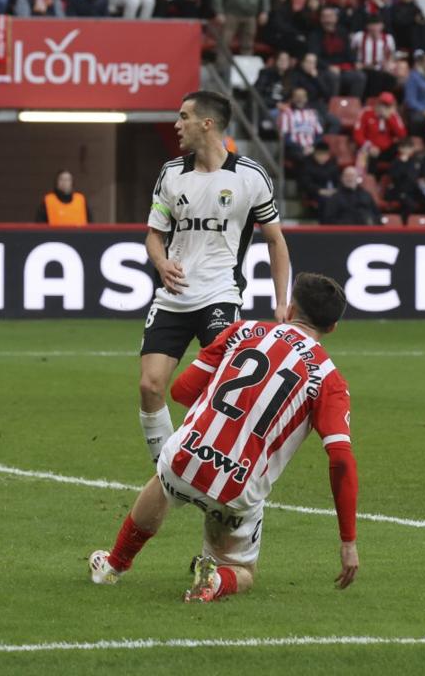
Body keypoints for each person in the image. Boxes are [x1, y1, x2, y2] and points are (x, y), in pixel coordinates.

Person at [90, 273, 358, 600]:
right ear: (331, 328)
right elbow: (341, 460)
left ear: (290, 309)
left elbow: (182, 390)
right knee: (243, 572)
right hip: (238, 490)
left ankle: (113, 566)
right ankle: (214, 581)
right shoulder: (330, 380)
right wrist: (348, 542)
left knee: (163, 477)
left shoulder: (243, 330)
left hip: (187, 458)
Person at [139, 91, 290, 464]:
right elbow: (154, 234)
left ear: (207, 124)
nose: (177, 124)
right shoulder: (172, 173)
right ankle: (166, 466)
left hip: (221, 294)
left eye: (184, 116)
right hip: (173, 295)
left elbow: (275, 240)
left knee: (220, 389)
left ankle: (218, 460)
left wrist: (281, 300)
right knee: (150, 385)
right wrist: (160, 263)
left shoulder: (251, 176)